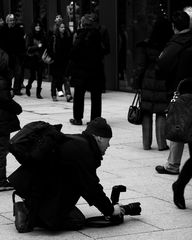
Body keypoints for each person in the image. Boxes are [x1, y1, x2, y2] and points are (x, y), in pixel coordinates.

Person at [9, 117, 125, 232]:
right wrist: (110, 210)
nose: (108, 145)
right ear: (99, 138)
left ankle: (33, 208)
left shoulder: (79, 142)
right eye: (108, 141)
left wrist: (106, 207)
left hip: (35, 187)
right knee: (76, 221)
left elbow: (85, 185)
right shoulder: (84, 152)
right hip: (39, 191)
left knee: (70, 212)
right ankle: (28, 212)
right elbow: (92, 187)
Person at [155, 10, 192, 174]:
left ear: (174, 27)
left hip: (181, 90)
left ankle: (173, 165)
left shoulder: (174, 44)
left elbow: (161, 66)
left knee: (179, 125)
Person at [132, 17, 173, 150]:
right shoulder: (169, 45)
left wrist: (137, 83)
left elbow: (140, 66)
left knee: (146, 111)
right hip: (163, 80)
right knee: (161, 112)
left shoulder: (146, 44)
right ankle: (162, 144)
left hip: (148, 80)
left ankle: (146, 144)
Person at [69, 14, 106, 125]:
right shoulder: (98, 34)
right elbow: (103, 50)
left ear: (82, 24)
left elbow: (73, 53)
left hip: (81, 70)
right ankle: (95, 120)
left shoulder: (79, 35)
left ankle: (78, 118)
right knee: (96, 97)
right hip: (95, 70)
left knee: (79, 96)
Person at [0, 48, 22, 191]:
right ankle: (1, 180)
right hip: (2, 120)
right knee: (2, 150)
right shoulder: (2, 80)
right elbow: (4, 100)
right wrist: (17, 108)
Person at [47, 18, 73, 102]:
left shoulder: (67, 37)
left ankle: (68, 94)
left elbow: (69, 48)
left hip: (65, 61)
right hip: (56, 62)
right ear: (58, 28)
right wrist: (53, 58)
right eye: (61, 27)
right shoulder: (54, 37)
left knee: (66, 78)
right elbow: (49, 49)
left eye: (64, 27)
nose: (63, 29)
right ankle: (54, 94)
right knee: (55, 79)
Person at [2, 14, 26, 96]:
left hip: (16, 55)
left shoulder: (18, 30)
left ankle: (16, 89)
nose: (12, 22)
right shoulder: (3, 30)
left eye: (13, 20)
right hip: (7, 55)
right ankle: (7, 89)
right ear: (7, 21)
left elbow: (22, 42)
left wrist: (22, 53)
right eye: (10, 20)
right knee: (8, 74)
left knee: (18, 73)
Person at [25, 20, 46, 99]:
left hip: (40, 58)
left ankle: (38, 93)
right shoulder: (30, 35)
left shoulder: (42, 35)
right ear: (34, 27)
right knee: (33, 76)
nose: (38, 27)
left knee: (40, 75)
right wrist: (37, 46)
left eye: (39, 25)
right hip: (32, 58)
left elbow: (44, 45)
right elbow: (27, 48)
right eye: (36, 25)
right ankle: (28, 87)